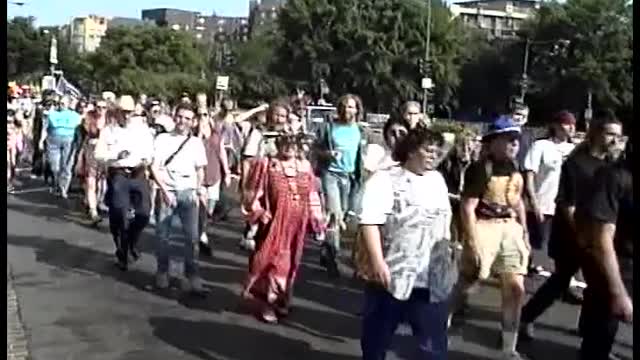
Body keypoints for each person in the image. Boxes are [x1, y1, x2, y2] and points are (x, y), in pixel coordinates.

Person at [519, 111, 624, 341]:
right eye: (610, 134)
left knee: (596, 284)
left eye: (619, 136)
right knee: (561, 280)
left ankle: (589, 332)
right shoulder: (578, 163)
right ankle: (526, 316)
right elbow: (568, 205)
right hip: (572, 234)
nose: (616, 141)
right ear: (596, 134)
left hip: (594, 233)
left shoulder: (610, 165)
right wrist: (582, 236)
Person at [357, 127, 455, 360]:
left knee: (433, 345)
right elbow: (370, 222)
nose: (433, 155)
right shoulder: (385, 179)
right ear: (411, 151)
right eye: (427, 150)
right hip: (394, 271)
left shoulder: (438, 180)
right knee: (377, 338)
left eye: (436, 151)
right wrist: (377, 262)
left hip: (432, 276)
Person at [449, 116, 530, 360]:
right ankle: (438, 324)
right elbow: (467, 207)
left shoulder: (515, 168)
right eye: (508, 139)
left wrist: (524, 230)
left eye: (516, 139)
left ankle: (509, 348)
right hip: (484, 225)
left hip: (510, 227)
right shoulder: (480, 169)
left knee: (515, 288)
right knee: (468, 282)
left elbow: (518, 201)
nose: (514, 144)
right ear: (494, 141)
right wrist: (472, 242)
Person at [241, 133, 324, 323]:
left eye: (294, 143)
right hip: (274, 224)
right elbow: (252, 194)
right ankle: (268, 303)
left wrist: (317, 219)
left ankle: (283, 298)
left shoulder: (305, 167)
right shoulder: (267, 165)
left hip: (297, 225)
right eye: (285, 142)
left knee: (290, 264)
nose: (290, 147)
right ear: (278, 143)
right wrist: (260, 212)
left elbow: (312, 196)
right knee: (273, 263)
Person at [576, 140, 632, 360]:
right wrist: (618, 292)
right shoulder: (615, 177)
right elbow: (602, 238)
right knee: (599, 340)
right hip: (616, 268)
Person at [150, 103, 208, 294]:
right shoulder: (162, 139)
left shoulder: (196, 143)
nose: (183, 121)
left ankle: (192, 275)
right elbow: (154, 167)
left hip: (188, 192)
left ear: (193, 122)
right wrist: (165, 191)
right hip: (167, 191)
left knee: (192, 238)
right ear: (174, 117)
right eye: (180, 117)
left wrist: (199, 190)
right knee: (162, 237)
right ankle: (163, 271)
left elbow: (200, 170)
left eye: (187, 118)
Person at [94, 96, 154, 270]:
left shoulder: (142, 130)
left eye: (129, 112)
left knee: (144, 214)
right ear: (117, 112)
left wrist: (146, 160)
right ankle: (122, 249)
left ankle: (131, 242)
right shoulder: (108, 131)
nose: (126, 116)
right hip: (119, 173)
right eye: (123, 112)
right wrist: (114, 156)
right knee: (119, 212)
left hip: (138, 173)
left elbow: (150, 151)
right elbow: (99, 154)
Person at [314, 93, 367, 277]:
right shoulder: (329, 128)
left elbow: (364, 155)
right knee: (335, 214)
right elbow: (316, 149)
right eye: (344, 106)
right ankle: (332, 256)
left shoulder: (360, 130)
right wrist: (327, 154)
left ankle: (326, 250)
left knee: (343, 216)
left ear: (357, 110)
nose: (347, 110)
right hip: (331, 175)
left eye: (351, 106)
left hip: (350, 177)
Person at [523, 111, 576, 275]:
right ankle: (525, 267)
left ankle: (558, 273)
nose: (572, 127)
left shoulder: (574, 150)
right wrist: (533, 201)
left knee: (559, 244)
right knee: (536, 241)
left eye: (573, 124)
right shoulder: (541, 146)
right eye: (567, 123)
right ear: (556, 126)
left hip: (563, 206)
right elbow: (530, 174)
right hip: (541, 203)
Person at [238, 102, 290, 251]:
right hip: (260, 182)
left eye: (283, 116)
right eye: (277, 115)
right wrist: (246, 186)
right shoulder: (258, 133)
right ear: (269, 115)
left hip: (280, 184)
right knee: (257, 217)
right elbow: (247, 161)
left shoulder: (287, 136)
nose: (279, 119)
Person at [195, 106, 231, 256]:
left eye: (205, 114)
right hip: (200, 177)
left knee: (209, 210)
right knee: (201, 210)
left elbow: (222, 152)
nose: (203, 118)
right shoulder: (193, 134)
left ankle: (201, 232)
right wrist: (199, 134)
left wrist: (227, 172)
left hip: (214, 175)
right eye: (200, 115)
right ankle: (201, 237)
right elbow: (193, 150)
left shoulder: (216, 133)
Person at [39, 96, 82, 198]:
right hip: (53, 141)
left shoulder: (75, 115)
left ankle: (63, 188)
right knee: (55, 166)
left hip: (69, 141)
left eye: (63, 103)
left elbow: (78, 131)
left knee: (67, 166)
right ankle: (56, 182)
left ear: (68, 104)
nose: (61, 105)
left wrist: (79, 144)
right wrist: (41, 141)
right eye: (59, 103)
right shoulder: (51, 114)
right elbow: (45, 129)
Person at [75, 109, 106, 222]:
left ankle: (96, 203)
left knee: (102, 185)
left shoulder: (110, 121)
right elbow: (86, 137)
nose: (101, 109)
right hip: (91, 152)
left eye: (103, 106)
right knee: (91, 182)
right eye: (99, 106)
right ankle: (93, 211)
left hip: (105, 154)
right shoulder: (90, 118)